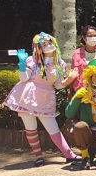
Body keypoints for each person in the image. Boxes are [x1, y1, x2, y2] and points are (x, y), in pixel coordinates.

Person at [4, 33, 81, 166]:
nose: (48, 46)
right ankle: (38, 156)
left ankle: (69, 154)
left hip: (45, 98)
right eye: (44, 44)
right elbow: (24, 78)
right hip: (28, 97)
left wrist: (69, 80)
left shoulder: (60, 64)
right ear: (38, 47)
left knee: (53, 128)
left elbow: (57, 84)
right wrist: (22, 64)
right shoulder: (32, 61)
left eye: (50, 43)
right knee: (31, 127)